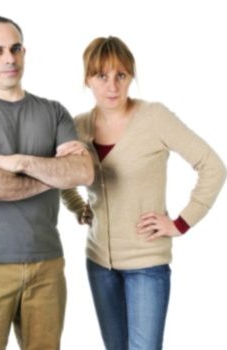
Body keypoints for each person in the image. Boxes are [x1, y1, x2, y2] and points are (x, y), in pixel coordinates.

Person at [61, 36, 226, 350]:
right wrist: (78, 206)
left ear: (130, 77)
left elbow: (213, 166)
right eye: (102, 76)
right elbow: (61, 176)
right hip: (99, 263)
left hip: (146, 264)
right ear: (88, 79)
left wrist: (181, 222)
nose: (112, 86)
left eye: (120, 75)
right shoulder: (78, 126)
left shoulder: (154, 117)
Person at [0, 15, 94, 350]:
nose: (9, 58)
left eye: (15, 48)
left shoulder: (54, 112)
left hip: (47, 264)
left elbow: (83, 172)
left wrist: (21, 163)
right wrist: (53, 173)